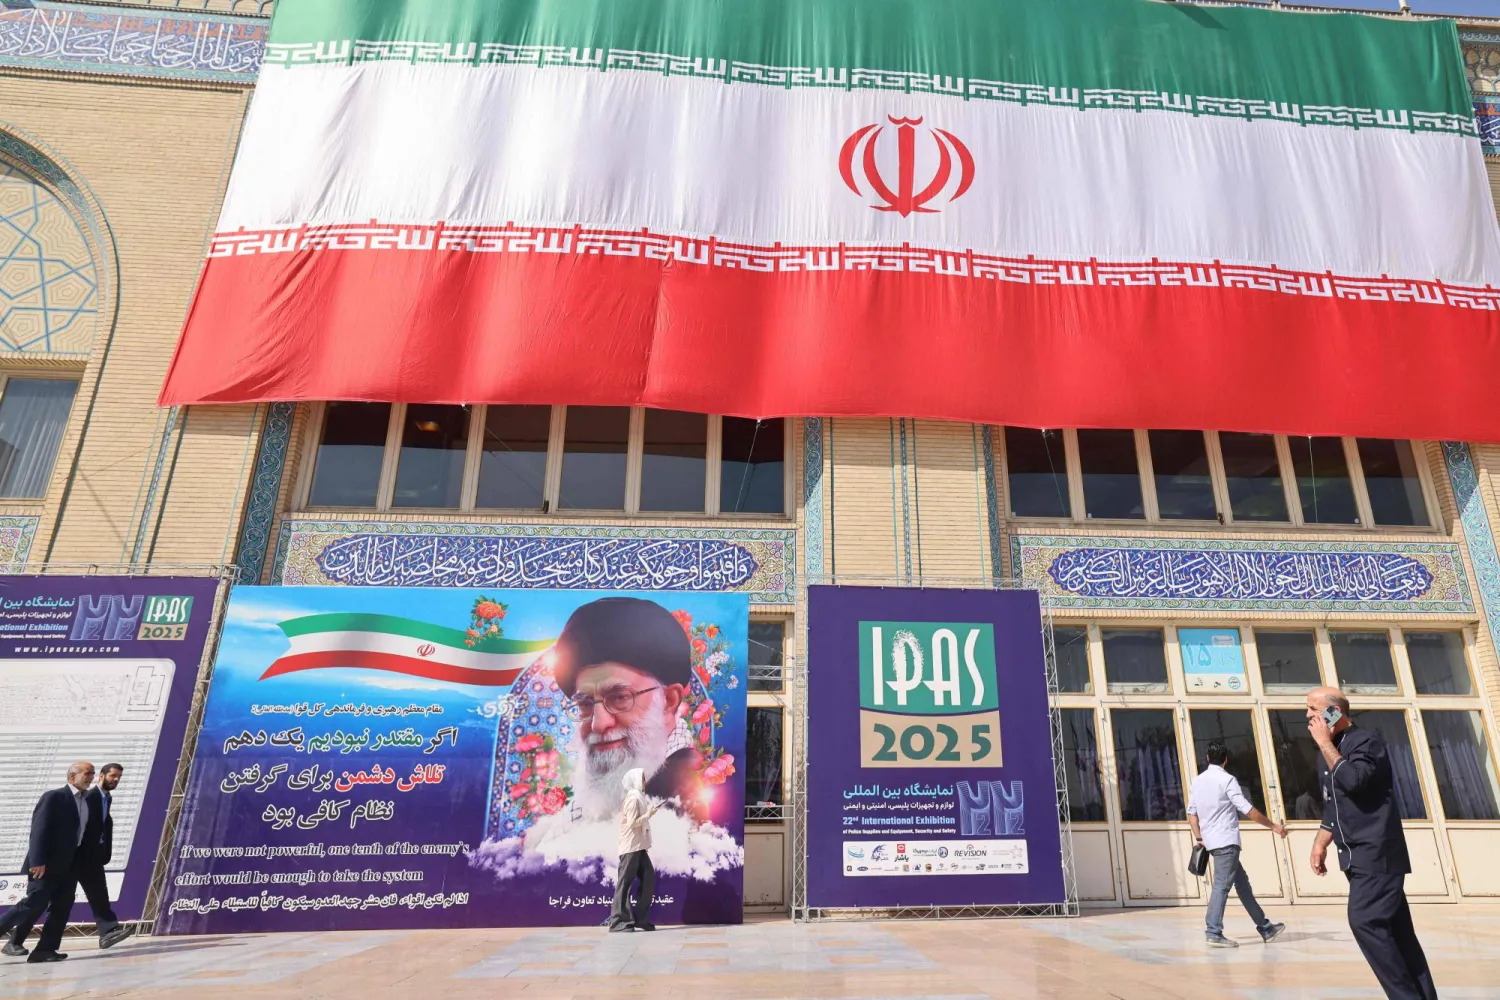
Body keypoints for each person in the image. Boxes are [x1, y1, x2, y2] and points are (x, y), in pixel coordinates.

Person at [1308, 687, 1437, 1000]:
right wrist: (1320, 842)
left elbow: (1355, 780)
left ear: (1334, 713)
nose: (1308, 715)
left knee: (1365, 921)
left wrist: (1325, 744)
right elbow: (1334, 804)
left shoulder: (1365, 743)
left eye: (1314, 709)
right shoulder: (1328, 751)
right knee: (1398, 934)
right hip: (1355, 855)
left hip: (1377, 852)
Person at [552, 597, 703, 821]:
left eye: (620, 698)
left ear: (668, 701)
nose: (598, 723)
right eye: (585, 704)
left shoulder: (683, 797)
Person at [6, 762, 133, 954]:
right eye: (112, 776)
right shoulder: (82, 797)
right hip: (64, 859)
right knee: (37, 903)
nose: (116, 780)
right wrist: (39, 861)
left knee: (77, 900)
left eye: (119, 777)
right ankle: (15, 941)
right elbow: (42, 830)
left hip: (83, 858)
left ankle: (49, 949)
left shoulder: (101, 798)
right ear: (102, 776)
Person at [1186, 740, 1288, 948]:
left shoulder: (1198, 781)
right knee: (1222, 886)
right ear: (1225, 760)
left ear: (1207, 758)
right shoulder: (1227, 780)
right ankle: (1213, 931)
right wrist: (1273, 826)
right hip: (1226, 842)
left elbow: (1191, 813)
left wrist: (1199, 838)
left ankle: (1265, 927)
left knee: (1242, 884)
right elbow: (1247, 809)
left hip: (1212, 843)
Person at [0, 762, 92, 963]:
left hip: (69, 866)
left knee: (62, 907)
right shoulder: (54, 797)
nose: (91, 777)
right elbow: (39, 830)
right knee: (32, 903)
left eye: (92, 773)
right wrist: (38, 861)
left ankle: (45, 950)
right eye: (87, 773)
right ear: (72, 776)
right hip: (46, 865)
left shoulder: (86, 802)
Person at [609, 768, 659, 932]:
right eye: (642, 779)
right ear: (635, 780)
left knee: (648, 877)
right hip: (630, 847)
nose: (645, 782)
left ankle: (641, 919)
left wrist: (648, 814)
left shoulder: (639, 797)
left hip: (639, 846)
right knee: (625, 883)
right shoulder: (632, 799)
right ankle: (618, 922)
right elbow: (632, 823)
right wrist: (649, 815)